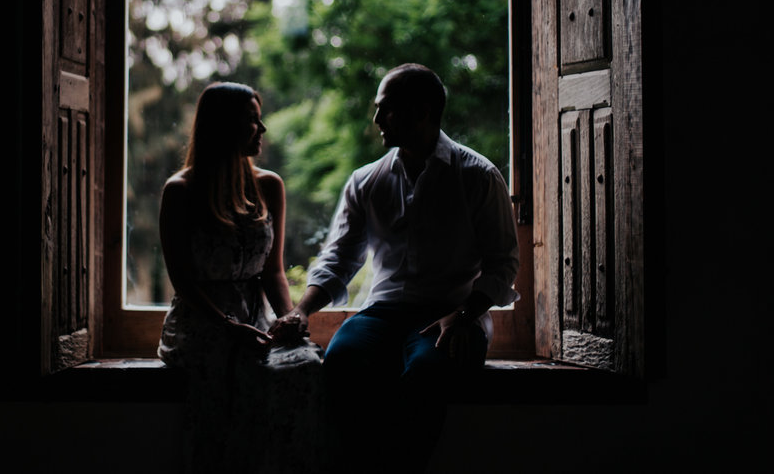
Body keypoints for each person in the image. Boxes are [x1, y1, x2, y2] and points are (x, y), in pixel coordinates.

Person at [271, 63, 520, 473]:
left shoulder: (477, 175)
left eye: (386, 109)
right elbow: (340, 257)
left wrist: (462, 316)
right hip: (383, 313)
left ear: (422, 112)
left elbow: (503, 262)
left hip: (454, 312)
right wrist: (300, 311)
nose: (376, 120)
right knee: (343, 360)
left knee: (427, 372)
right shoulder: (366, 181)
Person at [158, 81, 322, 474]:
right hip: (203, 319)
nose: (262, 129)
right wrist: (228, 325)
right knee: (229, 377)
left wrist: (288, 318)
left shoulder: (269, 185)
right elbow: (181, 279)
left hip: (256, 315)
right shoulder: (180, 191)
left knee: (306, 366)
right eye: (252, 120)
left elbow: (274, 270)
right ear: (223, 125)